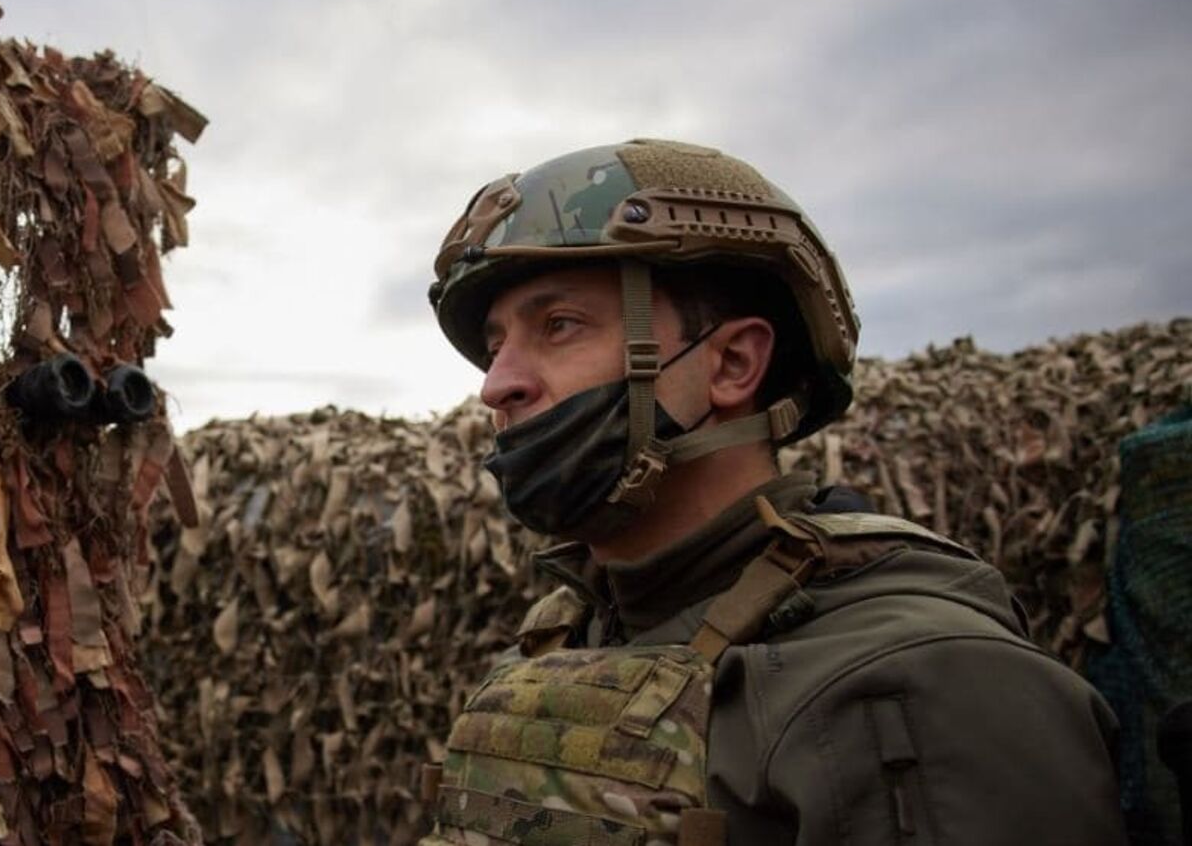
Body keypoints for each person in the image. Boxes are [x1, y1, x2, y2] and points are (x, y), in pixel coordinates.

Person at [419, 139, 1125, 845]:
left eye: (559, 326)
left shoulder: (920, 679)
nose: (496, 385)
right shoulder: (561, 637)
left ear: (732, 364)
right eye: (496, 346)